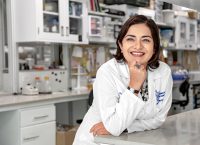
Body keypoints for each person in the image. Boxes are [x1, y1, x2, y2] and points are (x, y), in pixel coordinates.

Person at [73, 15, 173, 145]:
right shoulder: (108, 72)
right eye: (130, 39)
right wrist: (134, 86)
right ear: (121, 45)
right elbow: (114, 126)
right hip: (97, 140)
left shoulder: (163, 72)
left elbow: (159, 119)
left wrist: (127, 127)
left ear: (154, 47)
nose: (138, 46)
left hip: (130, 139)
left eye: (146, 40)